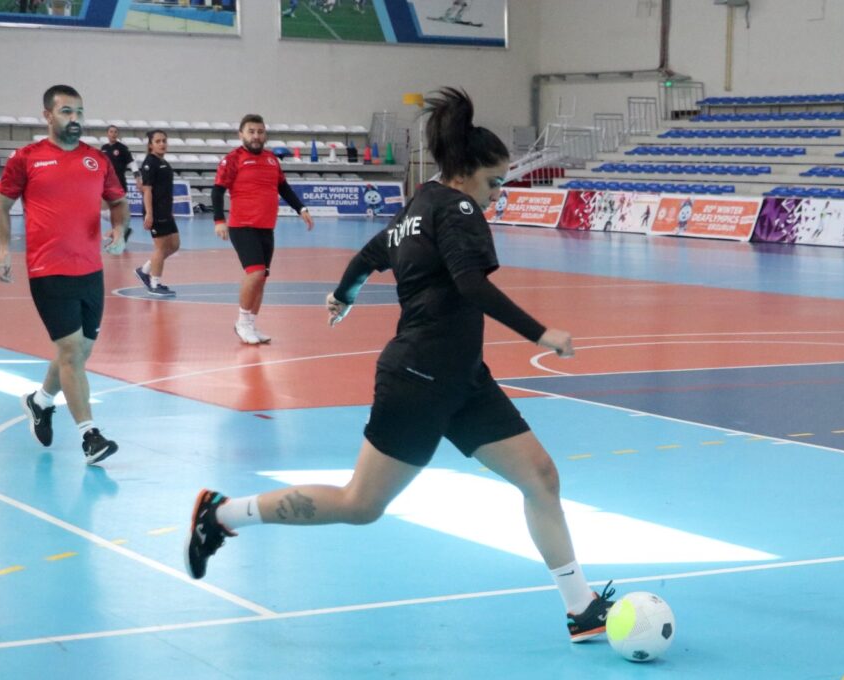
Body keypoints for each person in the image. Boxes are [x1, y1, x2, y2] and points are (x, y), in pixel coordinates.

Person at [185, 88, 615, 643]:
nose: (496, 197)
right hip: (420, 378)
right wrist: (541, 332)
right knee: (360, 504)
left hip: (462, 379)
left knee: (540, 477)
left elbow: (370, 255)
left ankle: (581, 610)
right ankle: (221, 515)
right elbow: (468, 282)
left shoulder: (419, 206)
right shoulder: (457, 210)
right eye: (493, 184)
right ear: (464, 174)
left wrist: (344, 294)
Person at [0, 84, 129, 465]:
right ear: (48, 115)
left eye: (80, 112)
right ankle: (90, 436)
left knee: (79, 352)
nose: (75, 119)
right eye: (67, 112)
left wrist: (119, 229)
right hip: (48, 269)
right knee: (70, 352)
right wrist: (4, 249)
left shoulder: (96, 160)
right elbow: (0, 205)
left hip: (91, 270)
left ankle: (41, 401)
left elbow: (118, 202)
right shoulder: (27, 158)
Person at [212, 114, 315, 345]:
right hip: (242, 226)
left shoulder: (271, 160)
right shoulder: (233, 159)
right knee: (255, 273)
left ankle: (251, 324)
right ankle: (242, 322)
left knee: (262, 279)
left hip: (266, 227)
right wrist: (219, 220)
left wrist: (301, 209)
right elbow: (217, 191)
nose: (256, 136)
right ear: (241, 134)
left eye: (260, 131)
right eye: (251, 131)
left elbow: (283, 187)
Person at [134, 130, 180, 297]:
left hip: (166, 210)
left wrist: (171, 210)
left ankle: (144, 270)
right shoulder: (150, 163)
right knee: (160, 248)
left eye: (164, 141)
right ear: (150, 145)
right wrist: (149, 214)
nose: (162, 144)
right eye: (158, 141)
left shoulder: (163, 162)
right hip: (156, 211)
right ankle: (155, 283)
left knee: (174, 245)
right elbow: (147, 190)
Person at [101, 125, 135, 244]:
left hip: (119, 185)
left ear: (117, 134)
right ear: (107, 134)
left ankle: (119, 235)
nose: (113, 134)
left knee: (115, 212)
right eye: (111, 132)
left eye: (115, 132)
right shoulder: (104, 148)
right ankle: (123, 231)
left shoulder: (122, 148)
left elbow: (132, 163)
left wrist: (137, 177)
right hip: (106, 185)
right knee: (104, 212)